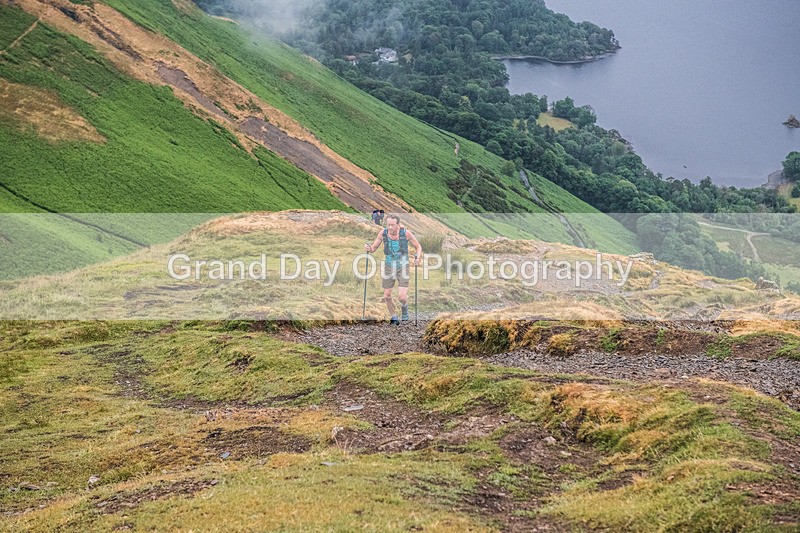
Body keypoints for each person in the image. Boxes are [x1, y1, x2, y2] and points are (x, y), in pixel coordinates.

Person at [364, 214, 422, 324]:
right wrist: (368, 248)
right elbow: (373, 248)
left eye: (392, 225)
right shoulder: (383, 233)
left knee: (402, 297)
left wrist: (418, 258)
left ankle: (404, 307)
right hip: (389, 266)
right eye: (388, 225)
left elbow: (418, 246)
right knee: (387, 296)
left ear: (398, 225)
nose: (390, 227)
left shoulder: (406, 233)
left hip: (403, 266)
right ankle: (394, 317)